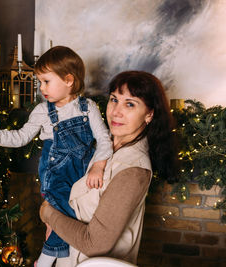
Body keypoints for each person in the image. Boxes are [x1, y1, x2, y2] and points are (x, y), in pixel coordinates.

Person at [0, 46, 113, 267]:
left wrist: (99, 166)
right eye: (40, 82)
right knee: (65, 217)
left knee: (74, 220)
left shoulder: (89, 108)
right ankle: (45, 261)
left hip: (82, 175)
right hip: (55, 174)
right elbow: (20, 137)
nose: (41, 88)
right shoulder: (42, 111)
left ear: (69, 80)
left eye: (46, 81)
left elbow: (105, 140)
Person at [40, 70, 178, 267]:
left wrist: (48, 213)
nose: (116, 111)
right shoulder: (104, 150)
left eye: (130, 104)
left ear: (149, 114)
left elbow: (94, 244)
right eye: (114, 100)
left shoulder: (132, 171)